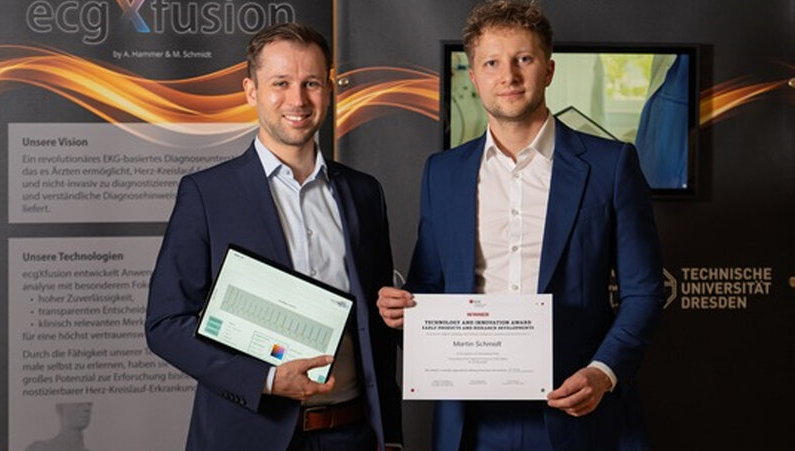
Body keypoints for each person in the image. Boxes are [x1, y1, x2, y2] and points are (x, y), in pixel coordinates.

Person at [376, 1, 664, 450]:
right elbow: (427, 286)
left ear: (548, 70)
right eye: (491, 63)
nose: (507, 76)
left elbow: (644, 292)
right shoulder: (443, 173)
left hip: (574, 411)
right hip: (469, 421)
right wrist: (402, 313)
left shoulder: (611, 166)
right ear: (474, 78)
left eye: (523, 59)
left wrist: (603, 372)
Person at [146, 22, 402, 451]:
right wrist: (265, 378)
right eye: (280, 83)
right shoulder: (208, 194)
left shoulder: (364, 193)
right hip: (248, 435)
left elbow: (377, 323)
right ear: (251, 91)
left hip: (351, 435)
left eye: (311, 83)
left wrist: (390, 436)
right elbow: (165, 324)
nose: (297, 100)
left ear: (329, 90)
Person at [25, 402, 93, 451]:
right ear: (60, 408)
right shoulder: (39, 449)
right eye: (79, 403)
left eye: (89, 404)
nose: (87, 408)